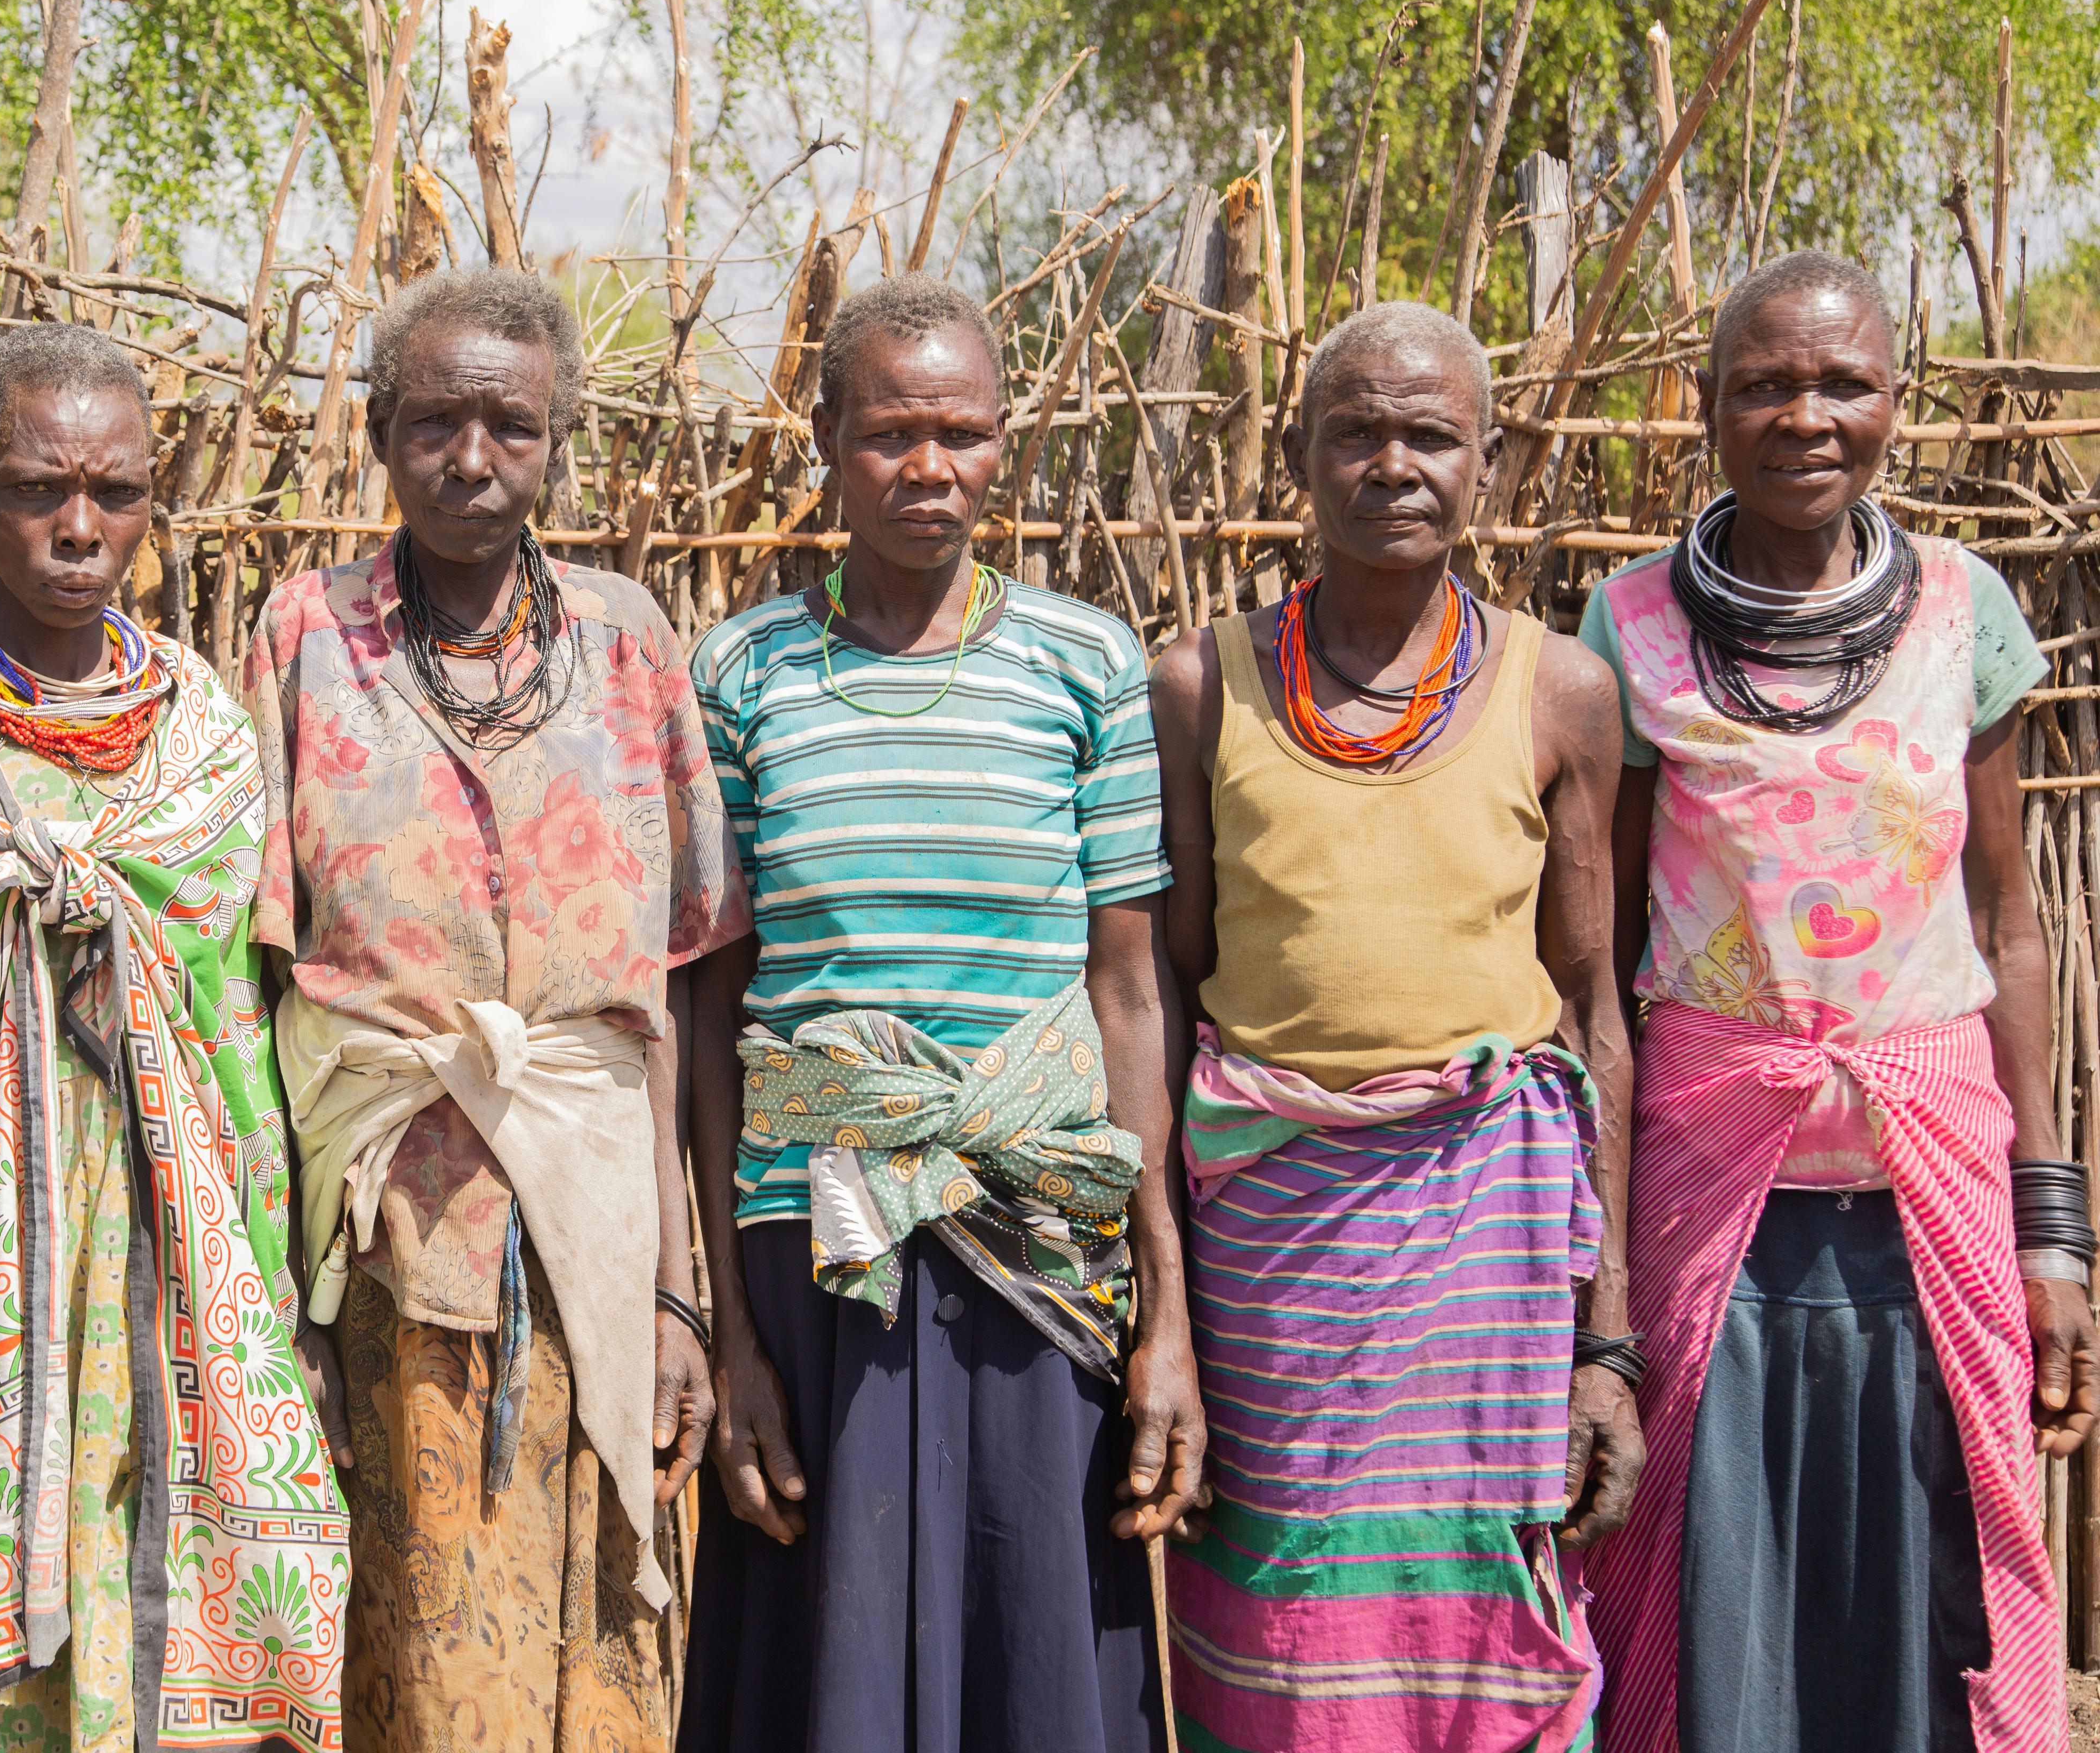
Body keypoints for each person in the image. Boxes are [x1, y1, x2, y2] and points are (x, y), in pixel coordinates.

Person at [0, 324, 345, 1753]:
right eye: (40, 488)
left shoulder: (208, 742)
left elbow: (232, 1024)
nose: (81, 527)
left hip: (162, 1238)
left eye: (118, 491)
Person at [1578, 250, 2098, 1753]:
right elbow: (1603, 963)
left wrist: (2051, 1225)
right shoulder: (1628, 633)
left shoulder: (1963, 613)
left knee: (1931, 1617)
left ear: (1899, 402)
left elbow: (2007, 918)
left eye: (1844, 384)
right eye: (1765, 384)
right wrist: (1596, 1278)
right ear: (1708, 406)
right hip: (1705, 1213)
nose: (1806, 416)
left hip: (1931, 1201)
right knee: (1711, 1603)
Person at [675, 275, 1200, 1753]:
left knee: (1031, 1641)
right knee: (823, 1653)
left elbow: (1128, 992)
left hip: (1041, 1222)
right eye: (892, 433)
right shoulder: (742, 673)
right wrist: (731, 1335)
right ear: (826, 436)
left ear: (1004, 444)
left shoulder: (1084, 667)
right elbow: (713, 1015)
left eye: (964, 433)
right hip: (814, 1235)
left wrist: (1164, 1305)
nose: (931, 469)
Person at [239, 266, 744, 1753]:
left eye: (510, 426)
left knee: (616, 1652)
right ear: (379, 433)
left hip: (605, 1233)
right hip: (393, 1239)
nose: (473, 458)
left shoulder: (631, 638)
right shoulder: (304, 637)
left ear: (556, 441)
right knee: (421, 1654)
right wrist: (291, 1300)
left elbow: (665, 998)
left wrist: (677, 1296)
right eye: (436, 422)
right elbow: (259, 984)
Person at [1145, 299, 1640, 1753]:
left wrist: (1607, 1342)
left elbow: (1596, 1014)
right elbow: (1170, 993)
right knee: (1281, 1618)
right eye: (1355, 432)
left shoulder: (1563, 694)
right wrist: (1163, 1296)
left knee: (1476, 1597)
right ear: (1297, 454)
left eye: (1432, 434)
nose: (1394, 464)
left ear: (1488, 462)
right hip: (1267, 1247)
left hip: (1487, 1240)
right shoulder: (1198, 685)